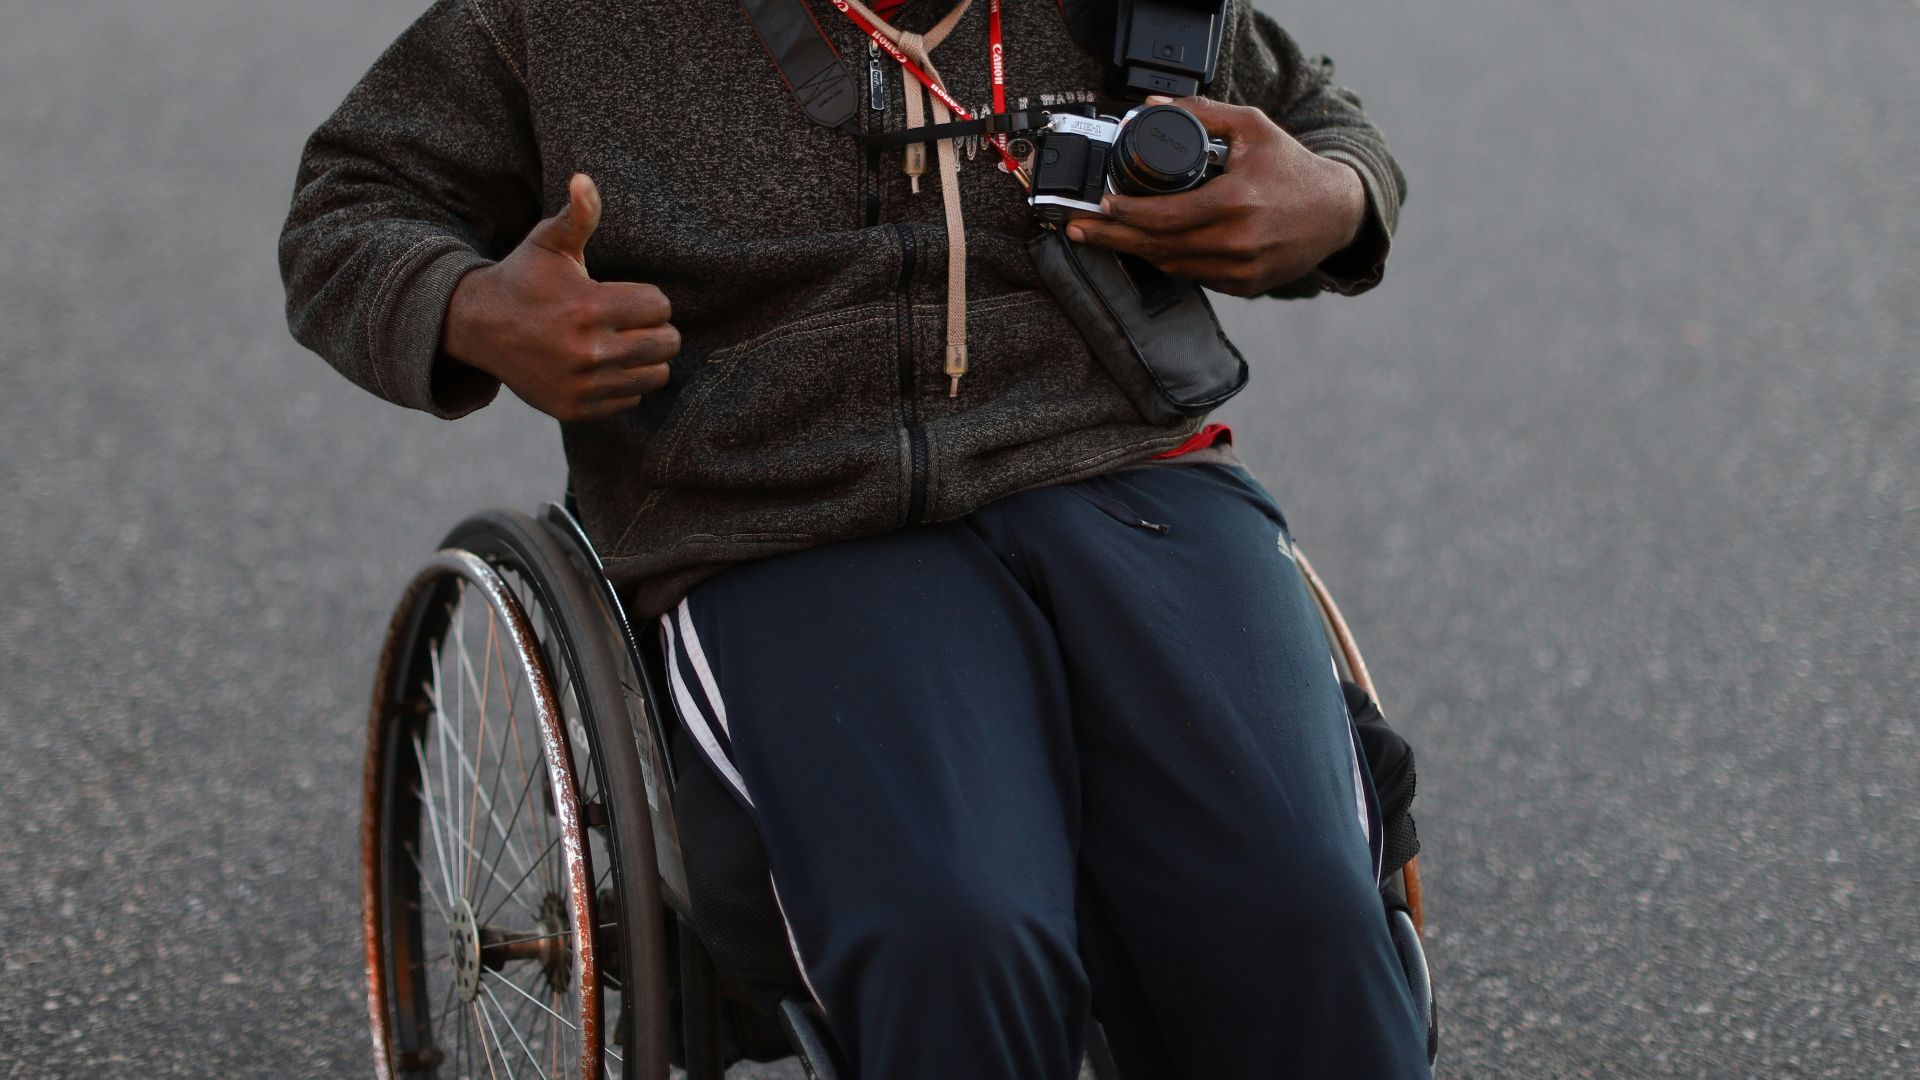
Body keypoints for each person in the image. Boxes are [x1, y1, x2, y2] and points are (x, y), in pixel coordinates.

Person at [280, 0, 1423, 1074]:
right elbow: (351, 204)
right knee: (956, 931)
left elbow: (1325, 131)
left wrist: (1328, 199)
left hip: (1119, 464)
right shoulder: (565, 24)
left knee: (1296, 907)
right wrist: (477, 311)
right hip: (780, 509)